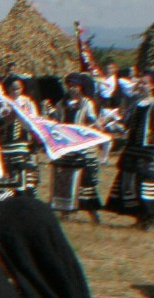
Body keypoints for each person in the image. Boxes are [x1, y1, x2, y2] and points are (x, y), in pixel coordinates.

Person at [104, 77, 154, 229]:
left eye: (145, 83)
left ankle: (149, 217)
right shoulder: (135, 104)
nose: (141, 86)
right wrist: (113, 126)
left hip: (147, 150)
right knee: (129, 181)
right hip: (132, 148)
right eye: (140, 83)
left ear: (152, 85)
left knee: (146, 181)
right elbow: (125, 124)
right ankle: (138, 216)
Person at [49, 75, 104, 221]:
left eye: (75, 85)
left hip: (81, 147)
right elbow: (55, 121)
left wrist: (96, 128)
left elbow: (92, 120)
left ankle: (92, 212)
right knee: (63, 178)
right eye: (70, 85)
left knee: (86, 181)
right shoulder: (62, 104)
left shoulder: (87, 104)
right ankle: (64, 212)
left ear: (81, 87)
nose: (72, 88)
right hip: (65, 146)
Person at [0, 76, 41, 196]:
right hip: (5, 145)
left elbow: (34, 122)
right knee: (5, 176)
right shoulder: (1, 102)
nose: (15, 90)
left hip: (23, 145)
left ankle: (23, 197)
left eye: (18, 87)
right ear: (8, 89)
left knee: (24, 175)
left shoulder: (27, 102)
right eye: (12, 88)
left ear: (22, 88)